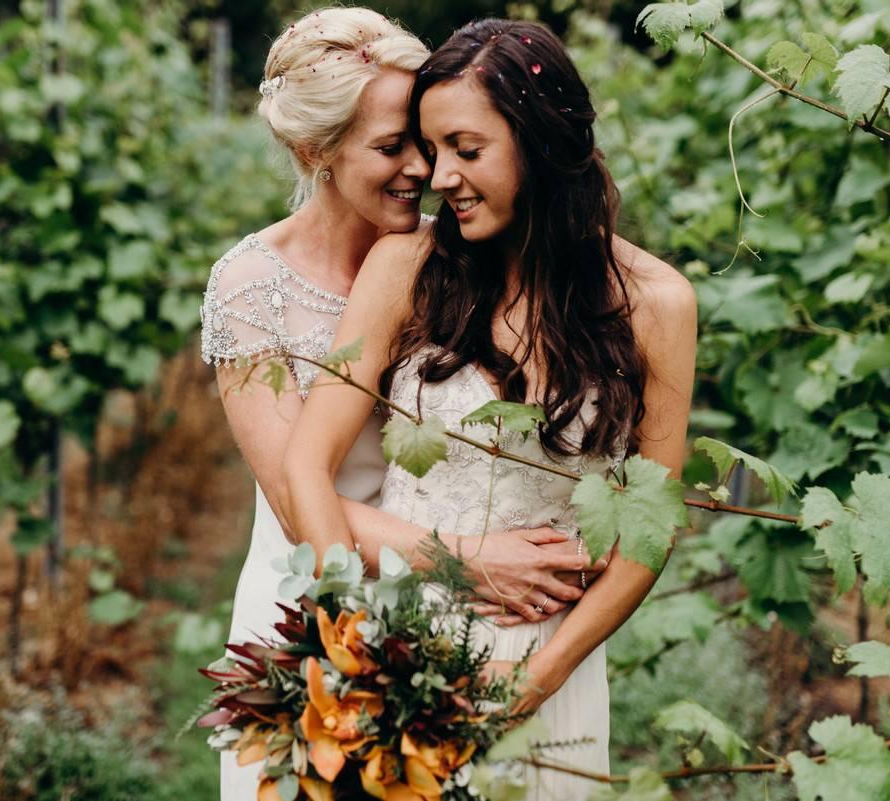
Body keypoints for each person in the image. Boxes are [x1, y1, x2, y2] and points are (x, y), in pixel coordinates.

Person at [284, 17, 697, 798]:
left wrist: (539, 676)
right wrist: (348, 644)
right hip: (396, 644)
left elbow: (653, 524)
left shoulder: (658, 303)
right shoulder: (406, 265)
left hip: (545, 666)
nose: (438, 176)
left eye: (466, 150)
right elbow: (307, 463)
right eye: (433, 151)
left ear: (541, 142)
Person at [200, 10, 606, 798]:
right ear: (315, 151)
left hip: (456, 623)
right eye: (391, 147)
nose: (421, 168)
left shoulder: (453, 252)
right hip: (317, 603)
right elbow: (295, 500)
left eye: (423, 140)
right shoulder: (250, 285)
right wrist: (467, 558)